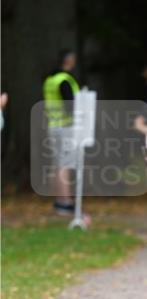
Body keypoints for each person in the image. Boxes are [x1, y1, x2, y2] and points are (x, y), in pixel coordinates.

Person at [42, 49, 88, 220]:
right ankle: (66, 201)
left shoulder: (49, 79)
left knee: (56, 164)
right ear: (69, 61)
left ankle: (58, 199)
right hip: (66, 127)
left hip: (53, 125)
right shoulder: (64, 80)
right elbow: (70, 105)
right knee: (65, 164)